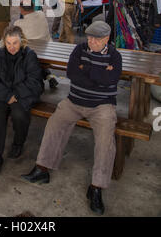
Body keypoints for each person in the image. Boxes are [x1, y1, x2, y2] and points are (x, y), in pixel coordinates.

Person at [21, 21, 122, 215]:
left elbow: (111, 80)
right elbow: (72, 74)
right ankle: (42, 169)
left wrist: (87, 69)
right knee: (53, 124)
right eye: (89, 37)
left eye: (96, 39)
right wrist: (98, 72)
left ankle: (96, 188)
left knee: (105, 142)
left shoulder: (115, 56)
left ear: (106, 39)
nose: (90, 42)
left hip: (102, 105)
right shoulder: (79, 49)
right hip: (74, 101)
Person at [0, 25, 44, 175]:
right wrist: (6, 96)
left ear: (22, 41)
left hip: (21, 95)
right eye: (8, 43)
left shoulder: (29, 55)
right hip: (1, 95)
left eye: (15, 43)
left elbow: (35, 81)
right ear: (4, 42)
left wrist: (15, 95)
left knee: (19, 115)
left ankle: (18, 143)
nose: (11, 47)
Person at [14, 0, 59, 89]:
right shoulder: (41, 15)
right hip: (48, 50)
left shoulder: (18, 24)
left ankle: (32, 80)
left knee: (21, 55)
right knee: (36, 56)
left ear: (21, 9)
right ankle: (49, 76)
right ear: (33, 7)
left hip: (31, 55)